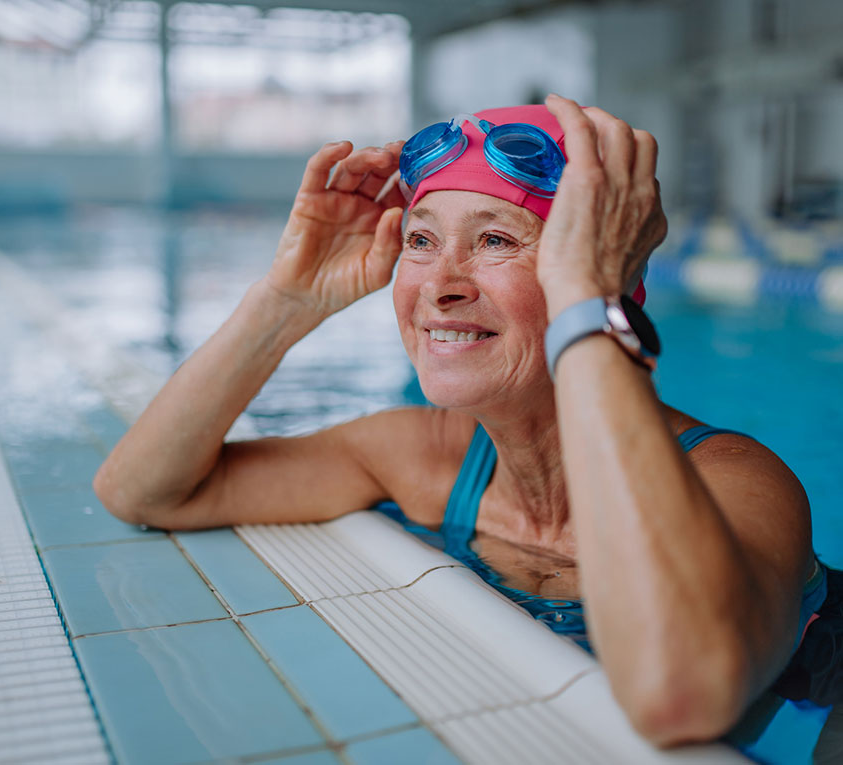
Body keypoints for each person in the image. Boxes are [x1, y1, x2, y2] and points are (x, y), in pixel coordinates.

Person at [93, 94, 824, 746]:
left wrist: (585, 302)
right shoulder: (425, 457)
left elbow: (680, 693)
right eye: (421, 240)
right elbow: (147, 490)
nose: (439, 286)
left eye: (496, 240)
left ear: (603, 281)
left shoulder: (734, 480)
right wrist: (288, 300)